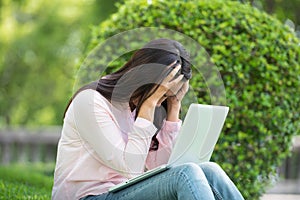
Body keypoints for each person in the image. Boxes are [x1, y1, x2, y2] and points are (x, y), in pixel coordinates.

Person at [52, 38, 244, 200]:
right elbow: (130, 168)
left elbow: (162, 167)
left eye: (167, 96)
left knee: (210, 170)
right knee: (187, 174)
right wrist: (149, 106)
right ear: (143, 77)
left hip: (124, 191)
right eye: (162, 92)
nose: (162, 100)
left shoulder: (145, 107)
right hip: (89, 196)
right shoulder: (90, 101)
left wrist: (174, 107)